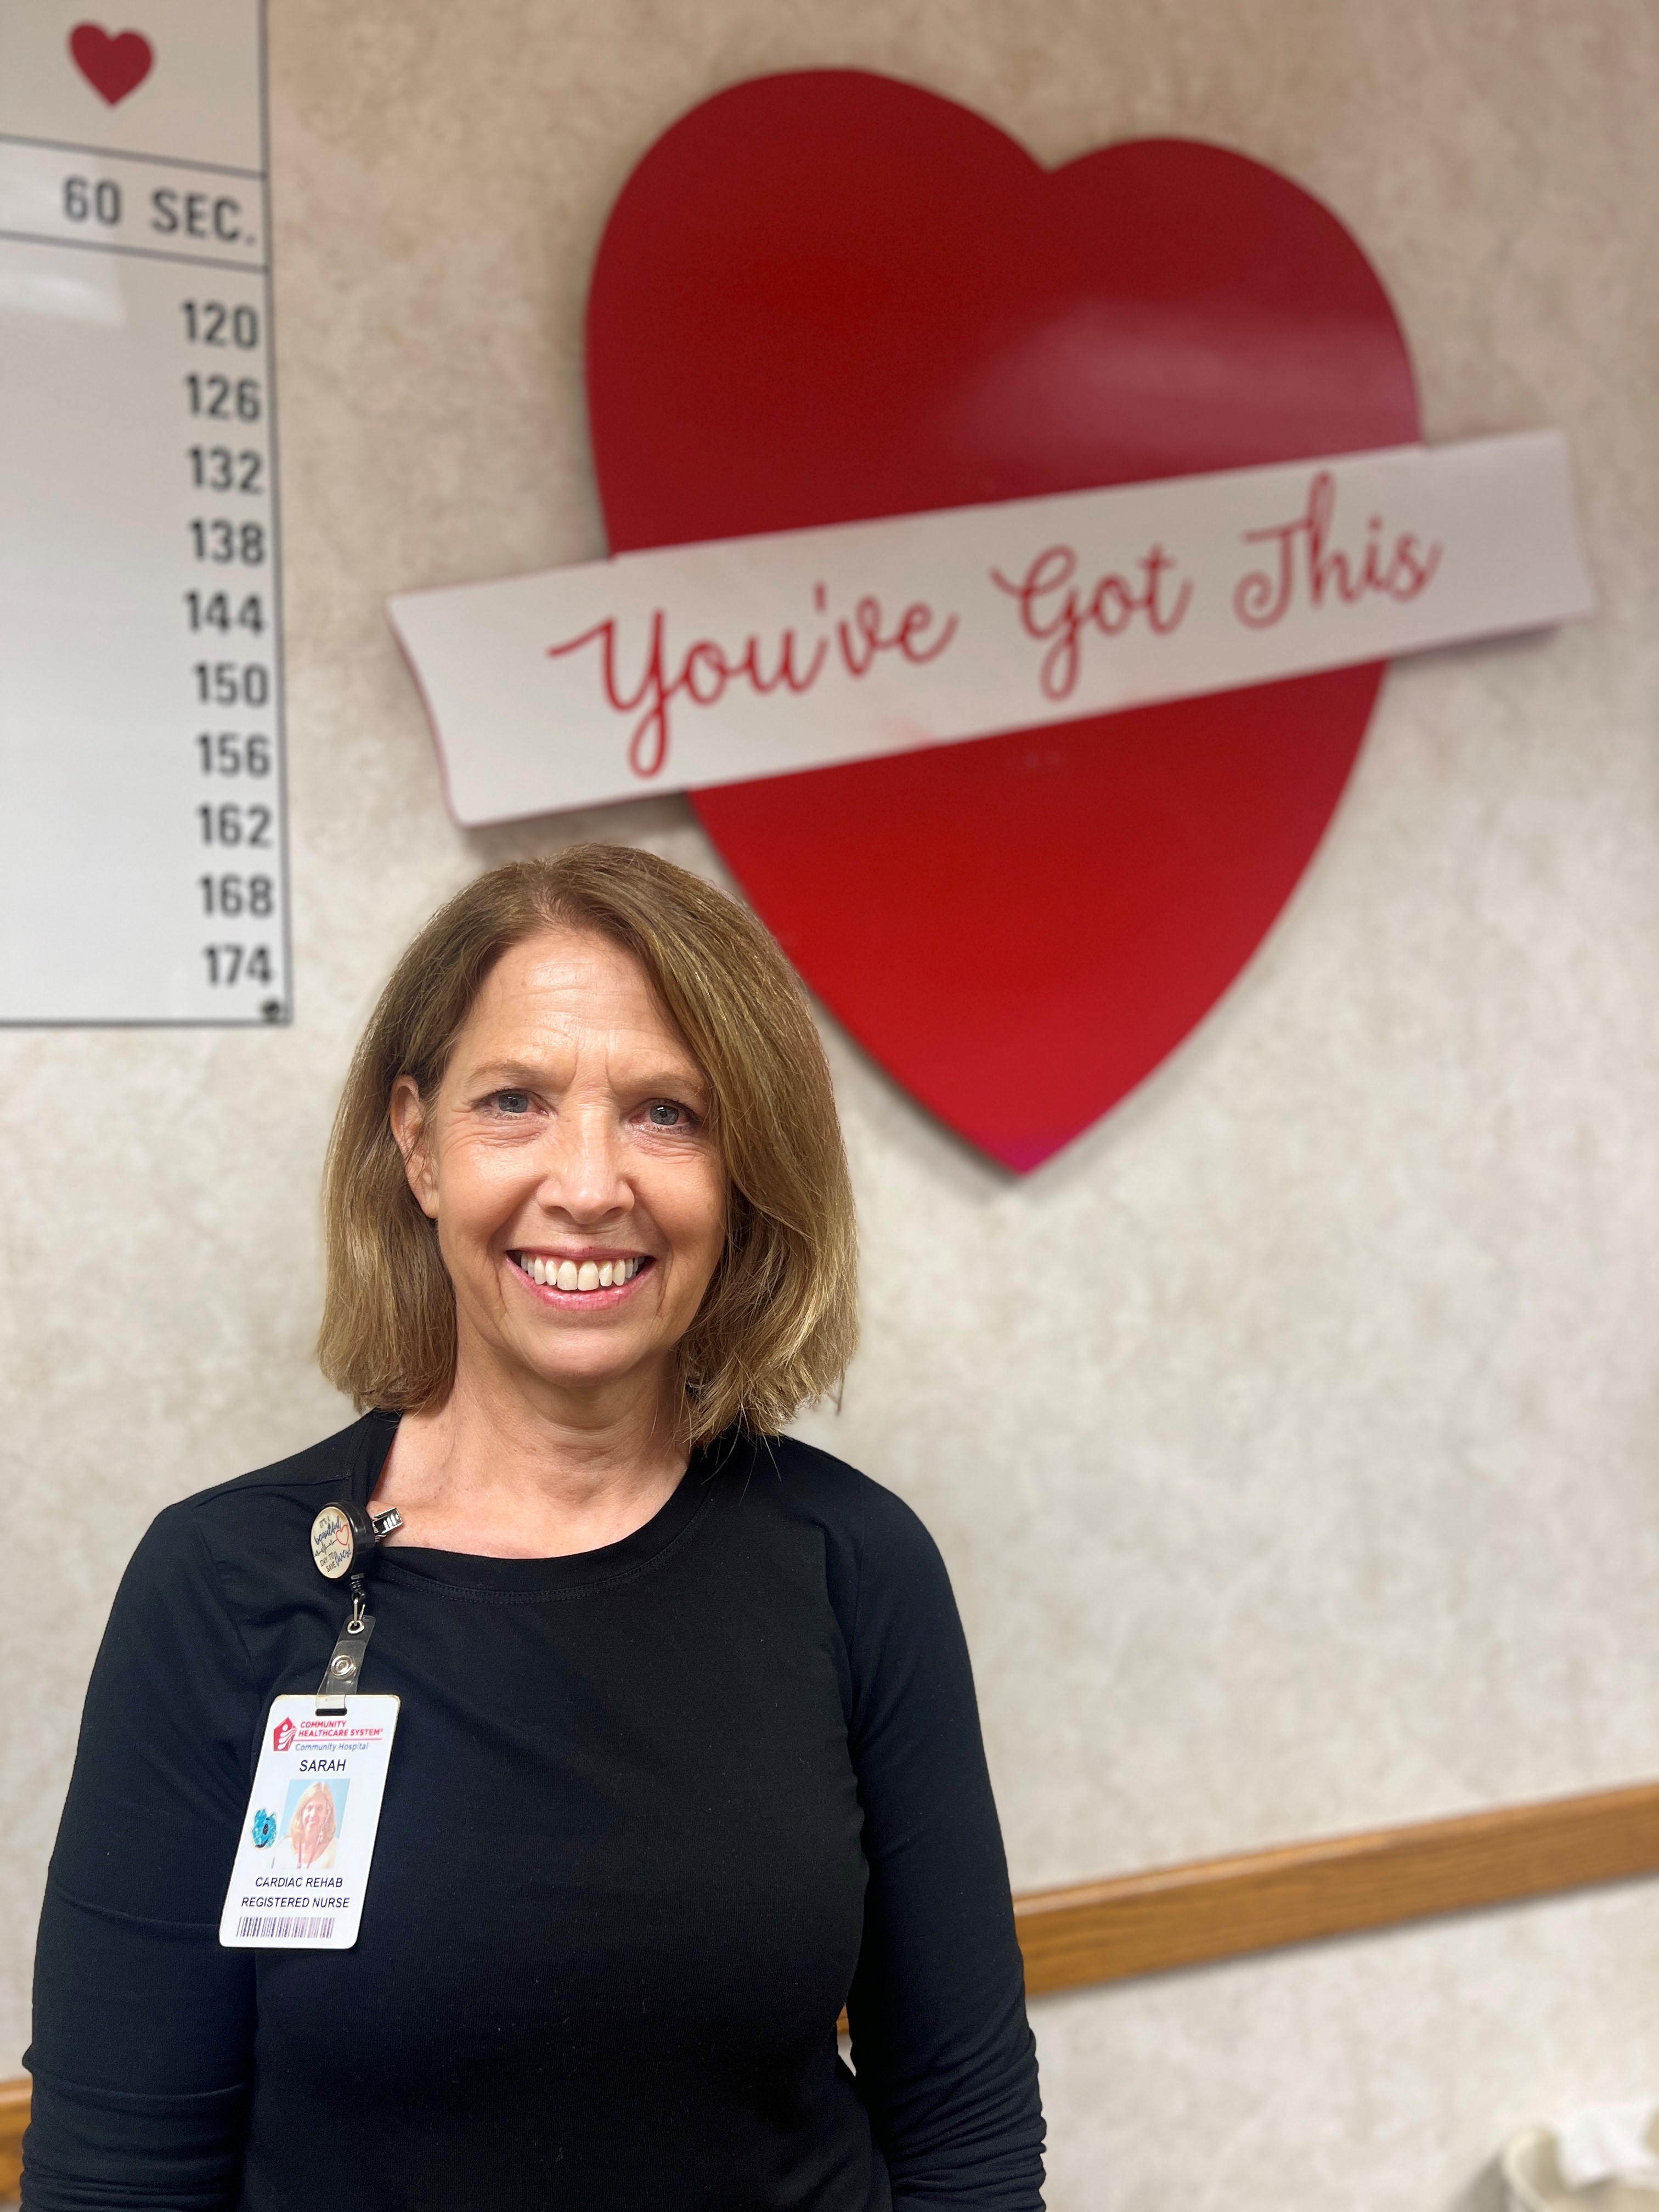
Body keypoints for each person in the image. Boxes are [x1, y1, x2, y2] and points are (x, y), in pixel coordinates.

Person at [24, 845, 1045, 2209]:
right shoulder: (218, 1586)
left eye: (666, 1114)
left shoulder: (854, 1567)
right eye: (515, 1102)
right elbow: (119, 2176)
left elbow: (964, 2133)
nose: (589, 1184)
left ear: (742, 1169)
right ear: (417, 1142)